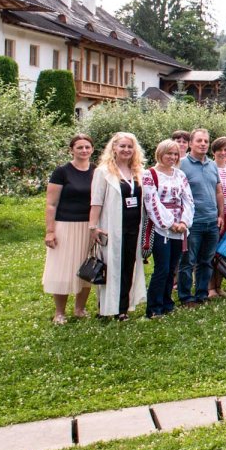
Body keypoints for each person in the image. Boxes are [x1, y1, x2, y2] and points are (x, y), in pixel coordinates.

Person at [88, 132, 147, 320]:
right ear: (114, 148)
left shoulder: (139, 171)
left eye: (130, 147)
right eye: (122, 146)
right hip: (111, 226)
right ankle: (105, 307)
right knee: (111, 266)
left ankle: (122, 308)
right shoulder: (103, 171)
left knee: (129, 266)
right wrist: (93, 227)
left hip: (134, 227)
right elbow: (96, 201)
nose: (126, 150)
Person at [42, 134, 97, 323]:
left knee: (87, 267)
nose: (84, 151)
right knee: (62, 269)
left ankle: (80, 308)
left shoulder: (96, 171)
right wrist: (50, 231)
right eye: (80, 147)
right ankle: (60, 312)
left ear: (92, 149)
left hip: (88, 227)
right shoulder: (62, 172)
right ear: (71, 150)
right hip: (65, 226)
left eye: (87, 147)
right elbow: (51, 204)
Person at [141, 139, 194, 317]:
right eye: (168, 153)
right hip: (161, 227)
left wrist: (184, 222)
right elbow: (151, 202)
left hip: (180, 227)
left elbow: (188, 199)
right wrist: (170, 224)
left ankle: (167, 302)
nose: (171, 157)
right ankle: (154, 307)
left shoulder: (180, 175)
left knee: (172, 268)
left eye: (175, 154)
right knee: (162, 268)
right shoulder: (150, 175)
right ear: (159, 154)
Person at [178, 129, 224, 308]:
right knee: (188, 261)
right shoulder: (181, 164)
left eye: (206, 141)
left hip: (211, 221)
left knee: (206, 261)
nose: (203, 144)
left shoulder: (212, 165)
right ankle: (185, 296)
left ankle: (202, 293)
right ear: (190, 143)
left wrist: (220, 215)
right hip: (192, 222)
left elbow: (218, 191)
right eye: (199, 141)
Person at [209, 136, 226, 298]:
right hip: (214, 214)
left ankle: (219, 286)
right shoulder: (210, 167)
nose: (223, 153)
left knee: (223, 252)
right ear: (214, 152)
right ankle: (210, 287)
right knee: (211, 252)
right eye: (220, 150)